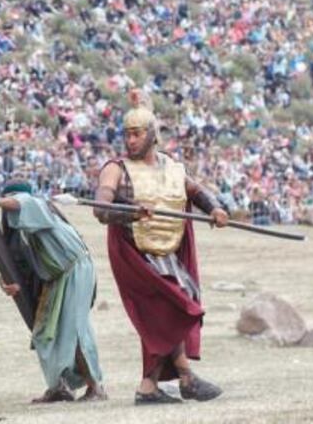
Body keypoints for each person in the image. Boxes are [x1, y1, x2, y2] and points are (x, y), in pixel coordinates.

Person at [93, 90, 229, 405]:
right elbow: (101, 209)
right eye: (126, 135)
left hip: (166, 250)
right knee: (176, 303)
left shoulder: (172, 167)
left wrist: (215, 209)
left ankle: (149, 387)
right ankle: (186, 377)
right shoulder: (116, 168)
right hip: (133, 251)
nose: (130, 141)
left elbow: (197, 192)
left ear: (152, 136)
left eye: (137, 134)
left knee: (173, 305)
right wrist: (129, 210)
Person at [0, 181, 106, 403]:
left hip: (73, 270)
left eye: (10, 199)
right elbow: (19, 265)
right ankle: (59, 386)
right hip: (56, 277)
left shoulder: (38, 206)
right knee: (45, 333)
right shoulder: (23, 230)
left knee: (74, 330)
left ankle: (95, 387)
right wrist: (7, 281)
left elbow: (22, 202)